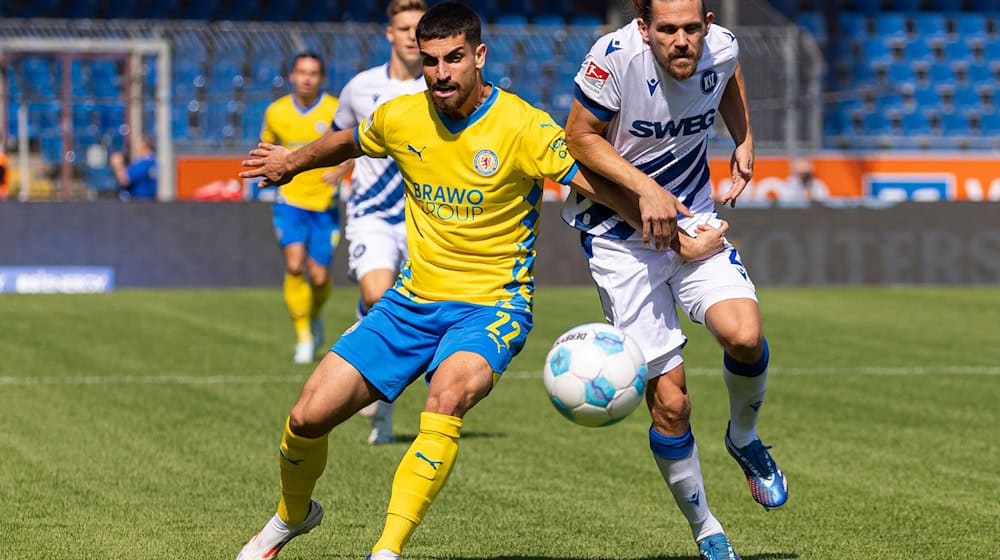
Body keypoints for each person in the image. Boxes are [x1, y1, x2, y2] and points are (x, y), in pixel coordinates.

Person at [235, 4, 722, 559]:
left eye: (455, 59)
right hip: (410, 304)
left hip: (492, 307)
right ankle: (291, 518)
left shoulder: (522, 125)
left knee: (444, 400)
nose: (442, 73)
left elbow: (593, 184)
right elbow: (350, 140)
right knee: (305, 418)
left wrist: (672, 233)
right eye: (431, 61)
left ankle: (386, 552)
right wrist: (292, 162)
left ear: (479, 56)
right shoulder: (401, 116)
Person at [562, 1, 788, 559]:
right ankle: (708, 530)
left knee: (744, 335)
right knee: (671, 403)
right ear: (645, 28)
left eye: (692, 28)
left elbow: (729, 75)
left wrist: (743, 138)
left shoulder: (723, 45)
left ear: (707, 24)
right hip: (619, 241)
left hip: (693, 221)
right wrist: (645, 192)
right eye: (667, 30)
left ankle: (743, 437)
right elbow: (578, 138)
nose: (681, 41)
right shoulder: (612, 59)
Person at [331, 0, 428, 446]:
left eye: (418, 28)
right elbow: (339, 137)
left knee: (412, 314)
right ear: (389, 33)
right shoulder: (360, 88)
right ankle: (381, 410)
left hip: (426, 219)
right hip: (371, 214)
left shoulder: (441, 87)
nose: (412, 35)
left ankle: (383, 412)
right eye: (404, 27)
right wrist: (326, 174)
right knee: (380, 297)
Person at [259, 52, 349, 364]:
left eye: (313, 73)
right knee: (295, 266)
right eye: (301, 72)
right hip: (290, 202)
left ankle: (314, 317)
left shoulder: (334, 109)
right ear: (292, 76)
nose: (307, 78)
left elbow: (355, 145)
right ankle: (303, 336)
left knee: (320, 277)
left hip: (324, 203)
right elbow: (265, 149)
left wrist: (342, 169)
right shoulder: (276, 112)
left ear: (321, 78)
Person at [109, 136, 157, 201]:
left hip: (139, 202)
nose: (137, 148)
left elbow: (124, 180)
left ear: (143, 147)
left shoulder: (142, 164)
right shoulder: (155, 161)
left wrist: (118, 165)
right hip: (152, 200)